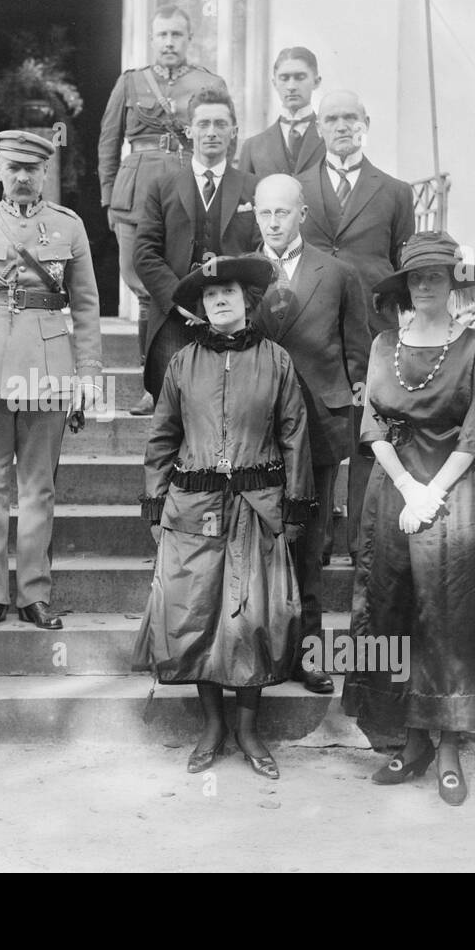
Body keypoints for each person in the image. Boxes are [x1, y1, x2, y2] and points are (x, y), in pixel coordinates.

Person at [340, 231, 475, 807]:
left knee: (451, 615)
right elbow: (371, 428)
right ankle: (409, 740)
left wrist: (432, 493)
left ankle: (450, 747)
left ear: (455, 280)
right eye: (418, 275)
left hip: (456, 492)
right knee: (393, 609)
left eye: (439, 273)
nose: (428, 283)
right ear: (406, 285)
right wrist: (409, 489)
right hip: (393, 491)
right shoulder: (385, 342)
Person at [134, 255, 315, 779]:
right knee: (197, 616)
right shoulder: (182, 364)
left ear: (247, 301)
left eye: (228, 293)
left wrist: (295, 505)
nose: (218, 301)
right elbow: (163, 437)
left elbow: (295, 435)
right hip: (194, 508)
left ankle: (249, 728)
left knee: (252, 618)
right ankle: (211, 726)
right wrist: (155, 502)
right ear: (201, 307)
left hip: (257, 508)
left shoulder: (276, 361)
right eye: (210, 296)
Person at [0, 130, 103, 632]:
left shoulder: (68, 226)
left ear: (45, 173)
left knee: (39, 488)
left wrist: (89, 376)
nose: (24, 177)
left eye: (33, 169)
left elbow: (88, 307)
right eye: (14, 168)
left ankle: (34, 593)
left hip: (48, 366)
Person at [251, 174, 368, 694]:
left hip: (319, 427)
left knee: (311, 543)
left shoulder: (337, 273)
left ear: (302, 214)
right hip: (256, 428)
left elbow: (357, 354)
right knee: (253, 540)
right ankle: (257, 651)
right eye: (264, 213)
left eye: (283, 212)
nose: (273, 222)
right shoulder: (240, 274)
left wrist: (356, 418)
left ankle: (309, 655)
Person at [297, 89, 415, 561]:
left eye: (351, 117)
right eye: (332, 118)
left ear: (366, 123)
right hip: (314, 330)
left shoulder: (394, 191)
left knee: (372, 434)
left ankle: (362, 542)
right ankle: (317, 541)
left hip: (372, 329)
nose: (342, 126)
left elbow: (402, 266)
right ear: (319, 128)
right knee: (320, 437)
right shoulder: (297, 187)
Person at [98, 6, 227, 415]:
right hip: (135, 194)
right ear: (152, 39)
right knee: (143, 290)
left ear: (189, 39)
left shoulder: (208, 82)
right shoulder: (130, 82)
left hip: (187, 193)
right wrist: (108, 198)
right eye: (162, 35)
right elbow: (108, 142)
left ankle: (199, 382)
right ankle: (151, 386)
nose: (169, 42)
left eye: (177, 34)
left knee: (190, 284)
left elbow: (223, 133)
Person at [134, 88, 259, 403]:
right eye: (203, 124)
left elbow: (262, 252)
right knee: (174, 415)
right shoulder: (162, 187)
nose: (212, 132)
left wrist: (239, 302)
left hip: (237, 319)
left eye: (220, 124)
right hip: (177, 320)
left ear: (234, 131)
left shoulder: (253, 187)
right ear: (189, 131)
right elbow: (145, 254)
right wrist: (182, 301)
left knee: (234, 409)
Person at [239, 47, 325, 178]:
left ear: (316, 82)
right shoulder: (253, 147)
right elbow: (243, 196)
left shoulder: (331, 138)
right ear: (275, 83)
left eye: (300, 77)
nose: (291, 87)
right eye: (284, 78)